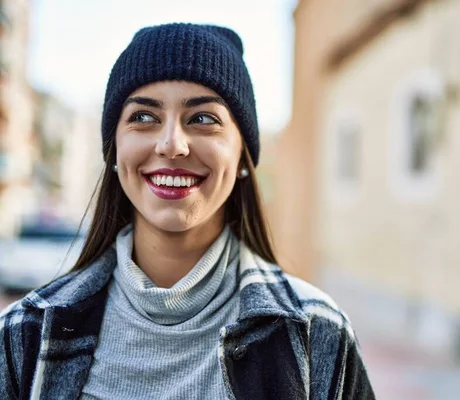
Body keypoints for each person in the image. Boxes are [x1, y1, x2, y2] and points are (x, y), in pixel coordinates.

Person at [0, 23, 375, 399]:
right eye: (144, 117)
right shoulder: (24, 334)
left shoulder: (317, 334)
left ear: (242, 156)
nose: (171, 145)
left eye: (203, 119)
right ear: (115, 151)